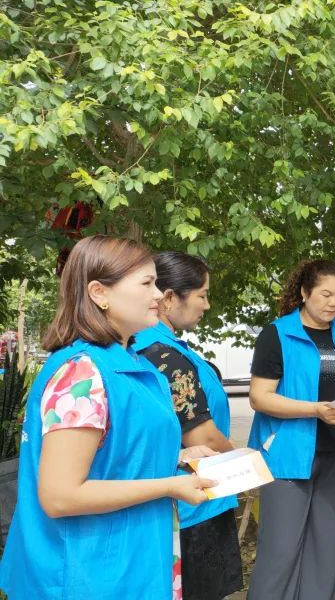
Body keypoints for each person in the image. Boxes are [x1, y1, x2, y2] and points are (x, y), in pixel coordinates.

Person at [0, 235, 215, 599]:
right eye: (146, 283)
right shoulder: (82, 373)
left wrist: (178, 458)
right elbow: (61, 495)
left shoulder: (132, 363)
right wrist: (169, 485)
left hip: (130, 562)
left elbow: (114, 451)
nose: (157, 295)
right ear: (99, 293)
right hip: (89, 574)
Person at [246, 259, 335, 600]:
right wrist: (315, 410)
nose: (333, 303)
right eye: (325, 294)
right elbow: (259, 397)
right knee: (280, 551)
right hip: (288, 455)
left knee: (325, 548)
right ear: (304, 292)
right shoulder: (277, 334)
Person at [132, 251, 243, 600]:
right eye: (202, 295)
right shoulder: (164, 356)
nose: (206, 305)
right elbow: (201, 434)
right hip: (195, 503)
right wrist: (245, 462)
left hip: (193, 496)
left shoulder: (158, 348)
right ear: (168, 298)